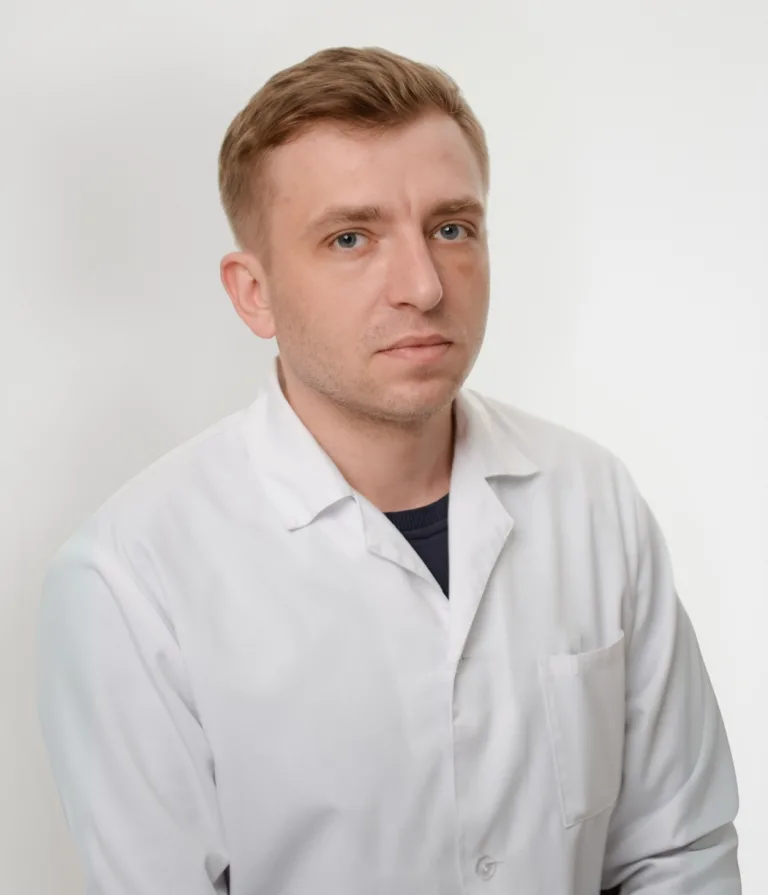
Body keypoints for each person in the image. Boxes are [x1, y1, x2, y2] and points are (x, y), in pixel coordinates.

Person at [37, 46, 741, 894]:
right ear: (253, 292)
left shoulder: (592, 497)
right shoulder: (130, 578)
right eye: (351, 238)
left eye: (451, 228)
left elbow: (678, 854)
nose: (423, 285)